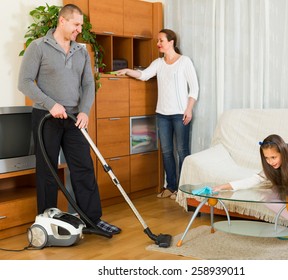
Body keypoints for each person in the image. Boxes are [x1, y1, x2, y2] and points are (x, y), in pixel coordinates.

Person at [17, 4, 121, 235]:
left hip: (75, 118)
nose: (79, 29)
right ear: (62, 21)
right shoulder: (38, 47)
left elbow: (88, 84)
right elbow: (24, 82)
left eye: (81, 25)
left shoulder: (81, 51)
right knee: (48, 171)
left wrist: (84, 111)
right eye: (76, 24)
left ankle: (92, 220)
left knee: (83, 166)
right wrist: (50, 104)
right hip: (46, 117)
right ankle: (47, 223)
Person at [116, 29, 199, 200]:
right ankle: (171, 187)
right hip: (162, 114)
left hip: (180, 114)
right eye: (158, 41)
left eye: (161, 40)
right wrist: (126, 71)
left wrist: (189, 109)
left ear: (171, 42)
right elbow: (144, 75)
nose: (158, 44)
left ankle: (184, 190)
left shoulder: (184, 62)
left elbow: (195, 88)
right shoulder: (159, 63)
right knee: (167, 152)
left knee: (182, 151)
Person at [213, 134, 288, 244]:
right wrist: (222, 187)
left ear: (282, 153)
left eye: (273, 157)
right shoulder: (272, 167)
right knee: (267, 198)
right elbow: (254, 180)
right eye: (267, 158)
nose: (270, 162)